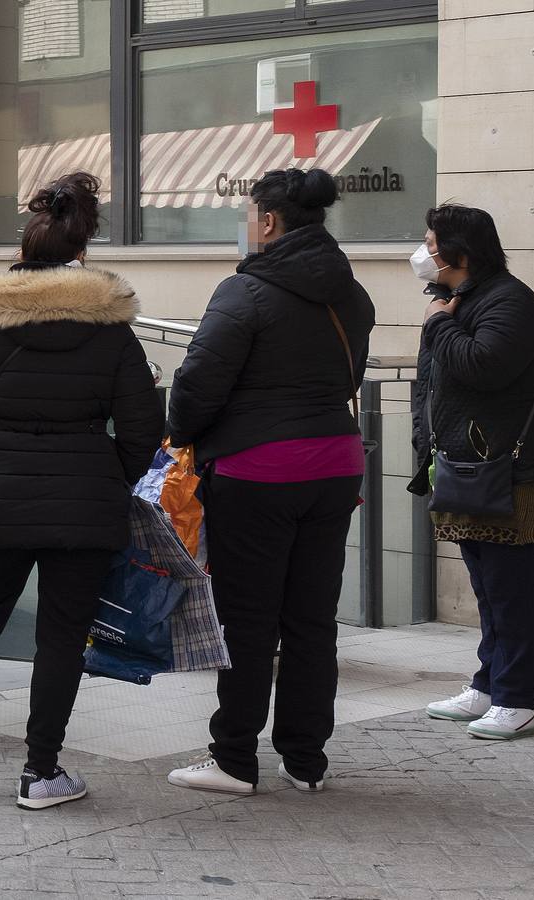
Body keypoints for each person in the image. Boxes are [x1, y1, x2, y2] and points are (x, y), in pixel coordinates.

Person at [0, 172, 161, 809]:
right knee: (61, 636)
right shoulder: (109, 327)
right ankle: (39, 772)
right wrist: (108, 475)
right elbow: (143, 425)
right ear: (81, 252)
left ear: (24, 245)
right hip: (84, 502)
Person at [163, 169, 376, 795]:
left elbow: (197, 387)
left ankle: (233, 758)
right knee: (312, 618)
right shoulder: (352, 294)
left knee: (249, 619)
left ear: (268, 223)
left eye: (247, 216)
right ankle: (305, 759)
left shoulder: (244, 292)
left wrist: (185, 432)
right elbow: (346, 379)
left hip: (258, 472)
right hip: (336, 464)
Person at [411, 204, 534, 742]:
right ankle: (488, 682)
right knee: (487, 587)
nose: (424, 253)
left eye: (431, 243)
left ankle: (517, 698)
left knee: (512, 589)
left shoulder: (510, 301)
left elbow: (482, 366)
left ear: (460, 253)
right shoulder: (462, 300)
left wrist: (439, 327)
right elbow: (432, 387)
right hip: (469, 468)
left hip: (516, 475)